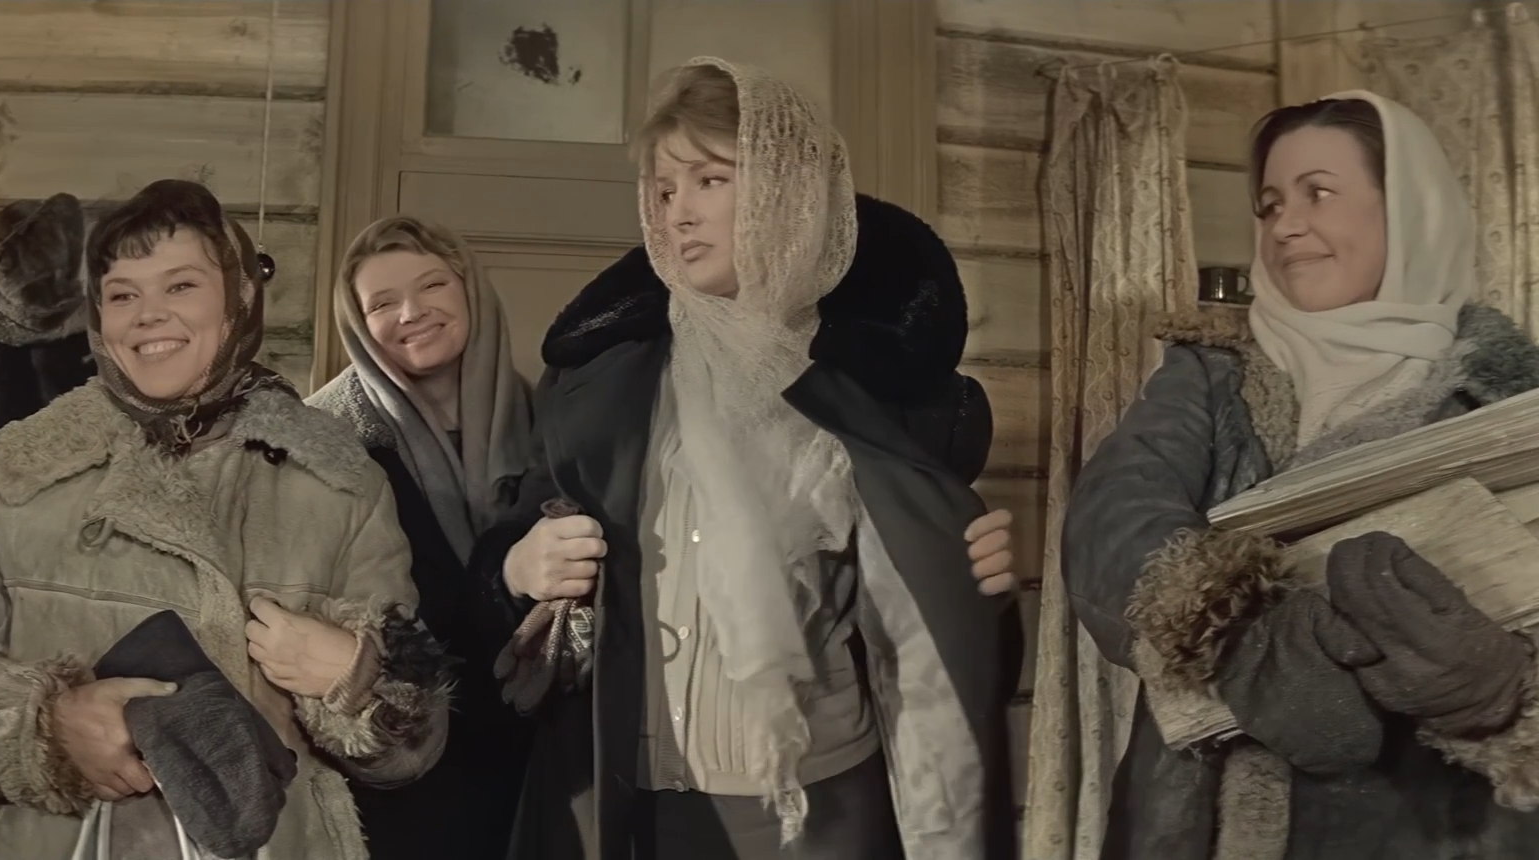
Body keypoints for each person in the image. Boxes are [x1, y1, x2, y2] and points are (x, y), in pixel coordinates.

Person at [472, 57, 1023, 860]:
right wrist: (516, 568)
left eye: (711, 180)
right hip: (630, 801)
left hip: (821, 806)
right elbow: (513, 544)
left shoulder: (876, 389)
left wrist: (977, 592)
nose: (679, 214)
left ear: (785, 191)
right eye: (664, 190)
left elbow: (930, 653)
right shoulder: (602, 383)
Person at [0, 179, 453, 860]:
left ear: (238, 300)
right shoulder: (20, 475)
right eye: (122, 295)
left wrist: (354, 674)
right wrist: (50, 724)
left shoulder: (338, 480)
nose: (148, 315)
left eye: (180, 286)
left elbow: (416, 748)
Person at [1065, 91, 1539, 860]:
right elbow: (1111, 521)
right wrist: (1242, 639)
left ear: (1408, 210)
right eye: (1270, 203)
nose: (1285, 225)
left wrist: (1503, 690)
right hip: (1206, 824)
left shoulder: (1511, 401)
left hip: (1436, 829)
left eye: (1318, 193)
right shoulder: (1213, 376)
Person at [309, 215, 536, 859]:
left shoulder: (548, 417)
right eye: (382, 303)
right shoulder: (324, 441)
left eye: (432, 285)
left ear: (470, 291)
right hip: (395, 767)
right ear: (358, 324)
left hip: (533, 758)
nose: (412, 312)